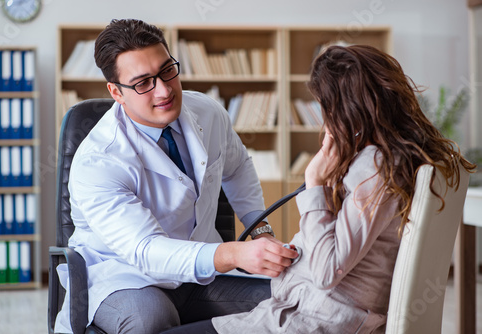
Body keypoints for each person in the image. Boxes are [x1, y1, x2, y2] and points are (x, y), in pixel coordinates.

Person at [160, 45, 476, 334]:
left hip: (314, 318)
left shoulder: (374, 168)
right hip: (313, 306)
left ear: (346, 109)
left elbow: (327, 271)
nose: (324, 119)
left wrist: (314, 182)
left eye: (325, 106)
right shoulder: (403, 159)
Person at [53, 19, 298, 334]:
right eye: (143, 83)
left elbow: (237, 167)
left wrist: (260, 228)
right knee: (149, 320)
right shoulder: (99, 161)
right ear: (116, 92)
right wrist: (235, 253)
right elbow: (145, 250)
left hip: (199, 273)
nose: (165, 90)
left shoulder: (208, 112)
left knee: (291, 301)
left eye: (168, 70)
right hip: (126, 277)